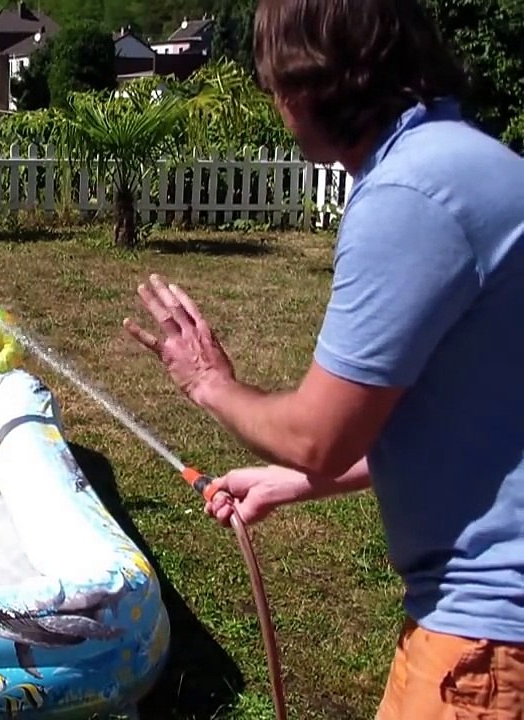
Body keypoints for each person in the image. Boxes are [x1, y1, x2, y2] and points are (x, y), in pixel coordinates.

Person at [122, 1, 524, 717]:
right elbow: (468, 428)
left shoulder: (410, 194)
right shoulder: (472, 164)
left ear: (313, 81)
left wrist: (209, 383)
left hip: (487, 642)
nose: (274, 102)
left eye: (274, 79)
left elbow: (320, 435)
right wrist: (292, 483)